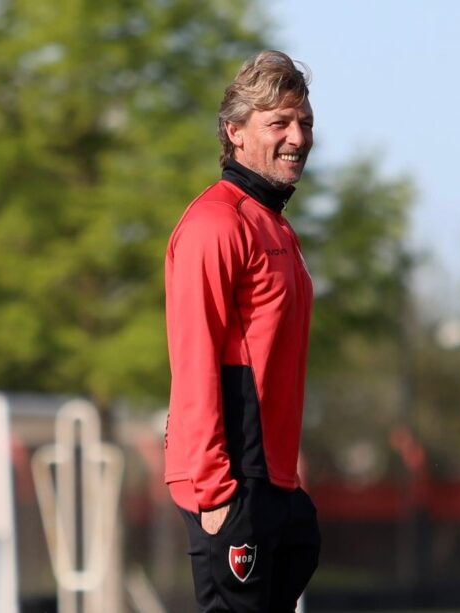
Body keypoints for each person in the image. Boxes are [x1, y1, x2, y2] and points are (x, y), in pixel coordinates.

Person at [163, 50, 320, 612]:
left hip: (273, 480)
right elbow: (194, 357)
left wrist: (285, 479)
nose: (297, 137)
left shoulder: (276, 227)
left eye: (304, 122)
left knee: (305, 544)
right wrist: (213, 489)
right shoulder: (216, 223)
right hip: (230, 480)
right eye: (279, 123)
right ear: (235, 132)